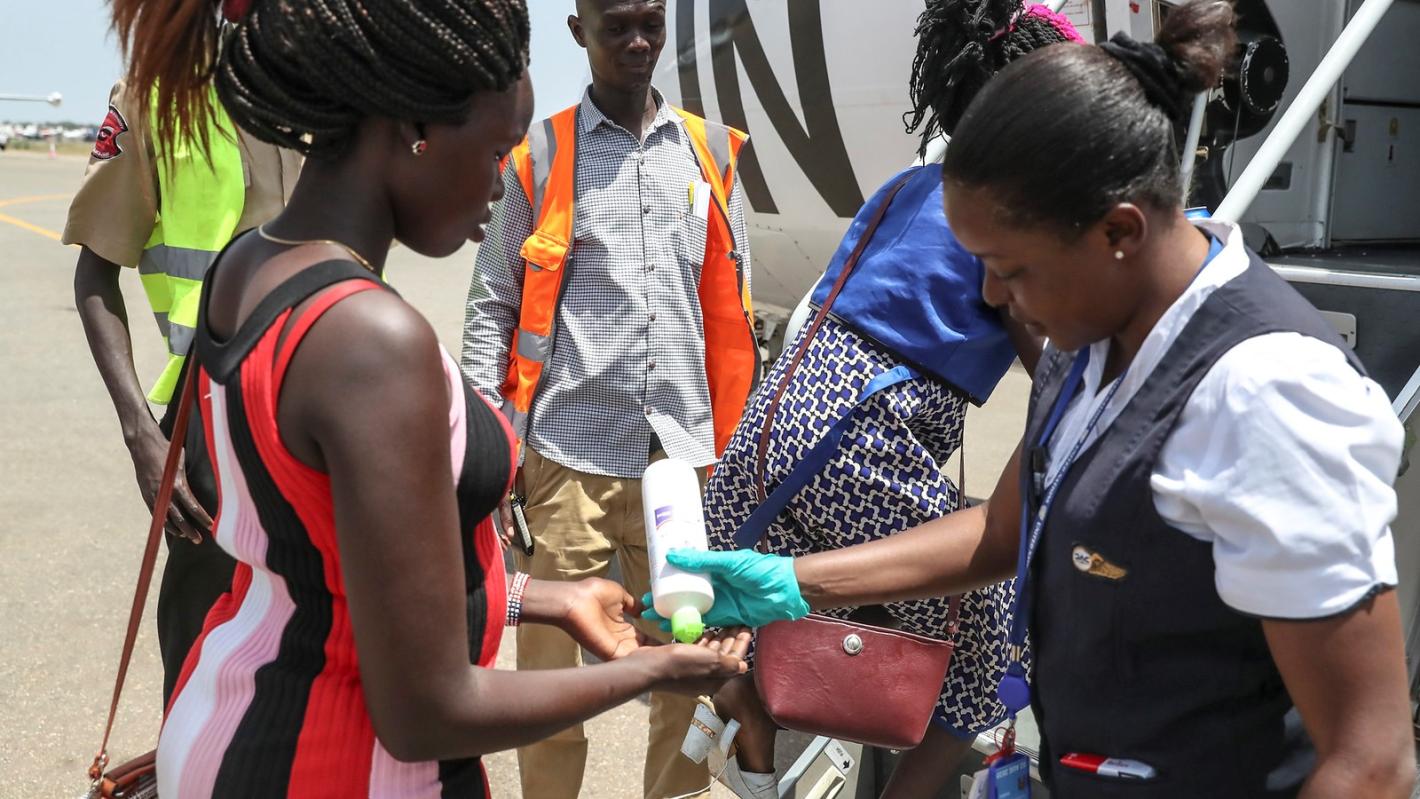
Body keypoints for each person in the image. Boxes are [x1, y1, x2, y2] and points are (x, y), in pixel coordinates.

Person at [655, 2, 1418, 797]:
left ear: (1120, 232)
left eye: (1010, 269)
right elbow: (999, 529)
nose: (989, 296)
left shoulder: (1269, 390)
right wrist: (793, 579)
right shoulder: (1087, 354)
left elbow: (1369, 763)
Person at [107, 0, 750, 795]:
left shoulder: (250, 265)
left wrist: (544, 597)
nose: (500, 188)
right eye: (494, 152)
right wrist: (653, 668)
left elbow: (327, 563)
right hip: (336, 766)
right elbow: (427, 709)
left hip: (238, 722)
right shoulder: (371, 341)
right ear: (415, 126)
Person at [666, 4, 1080, 798]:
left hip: (773, 429)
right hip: (857, 441)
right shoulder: (1002, 216)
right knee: (1002, 631)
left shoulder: (905, 186)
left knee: (826, 600)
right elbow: (1060, 374)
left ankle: (747, 696)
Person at [460, 1, 756, 796]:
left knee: (689, 676)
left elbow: (734, 305)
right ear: (577, 30)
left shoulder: (709, 153)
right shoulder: (541, 153)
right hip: (568, 461)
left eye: (651, 23)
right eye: (616, 25)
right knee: (552, 691)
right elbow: (493, 303)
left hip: (683, 460)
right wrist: (490, 451)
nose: (637, 42)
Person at [64, 79, 300, 703]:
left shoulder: (334, 80)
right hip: (210, 420)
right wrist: (142, 434)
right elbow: (95, 271)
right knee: (203, 660)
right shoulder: (153, 97)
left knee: (322, 661)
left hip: (330, 407)